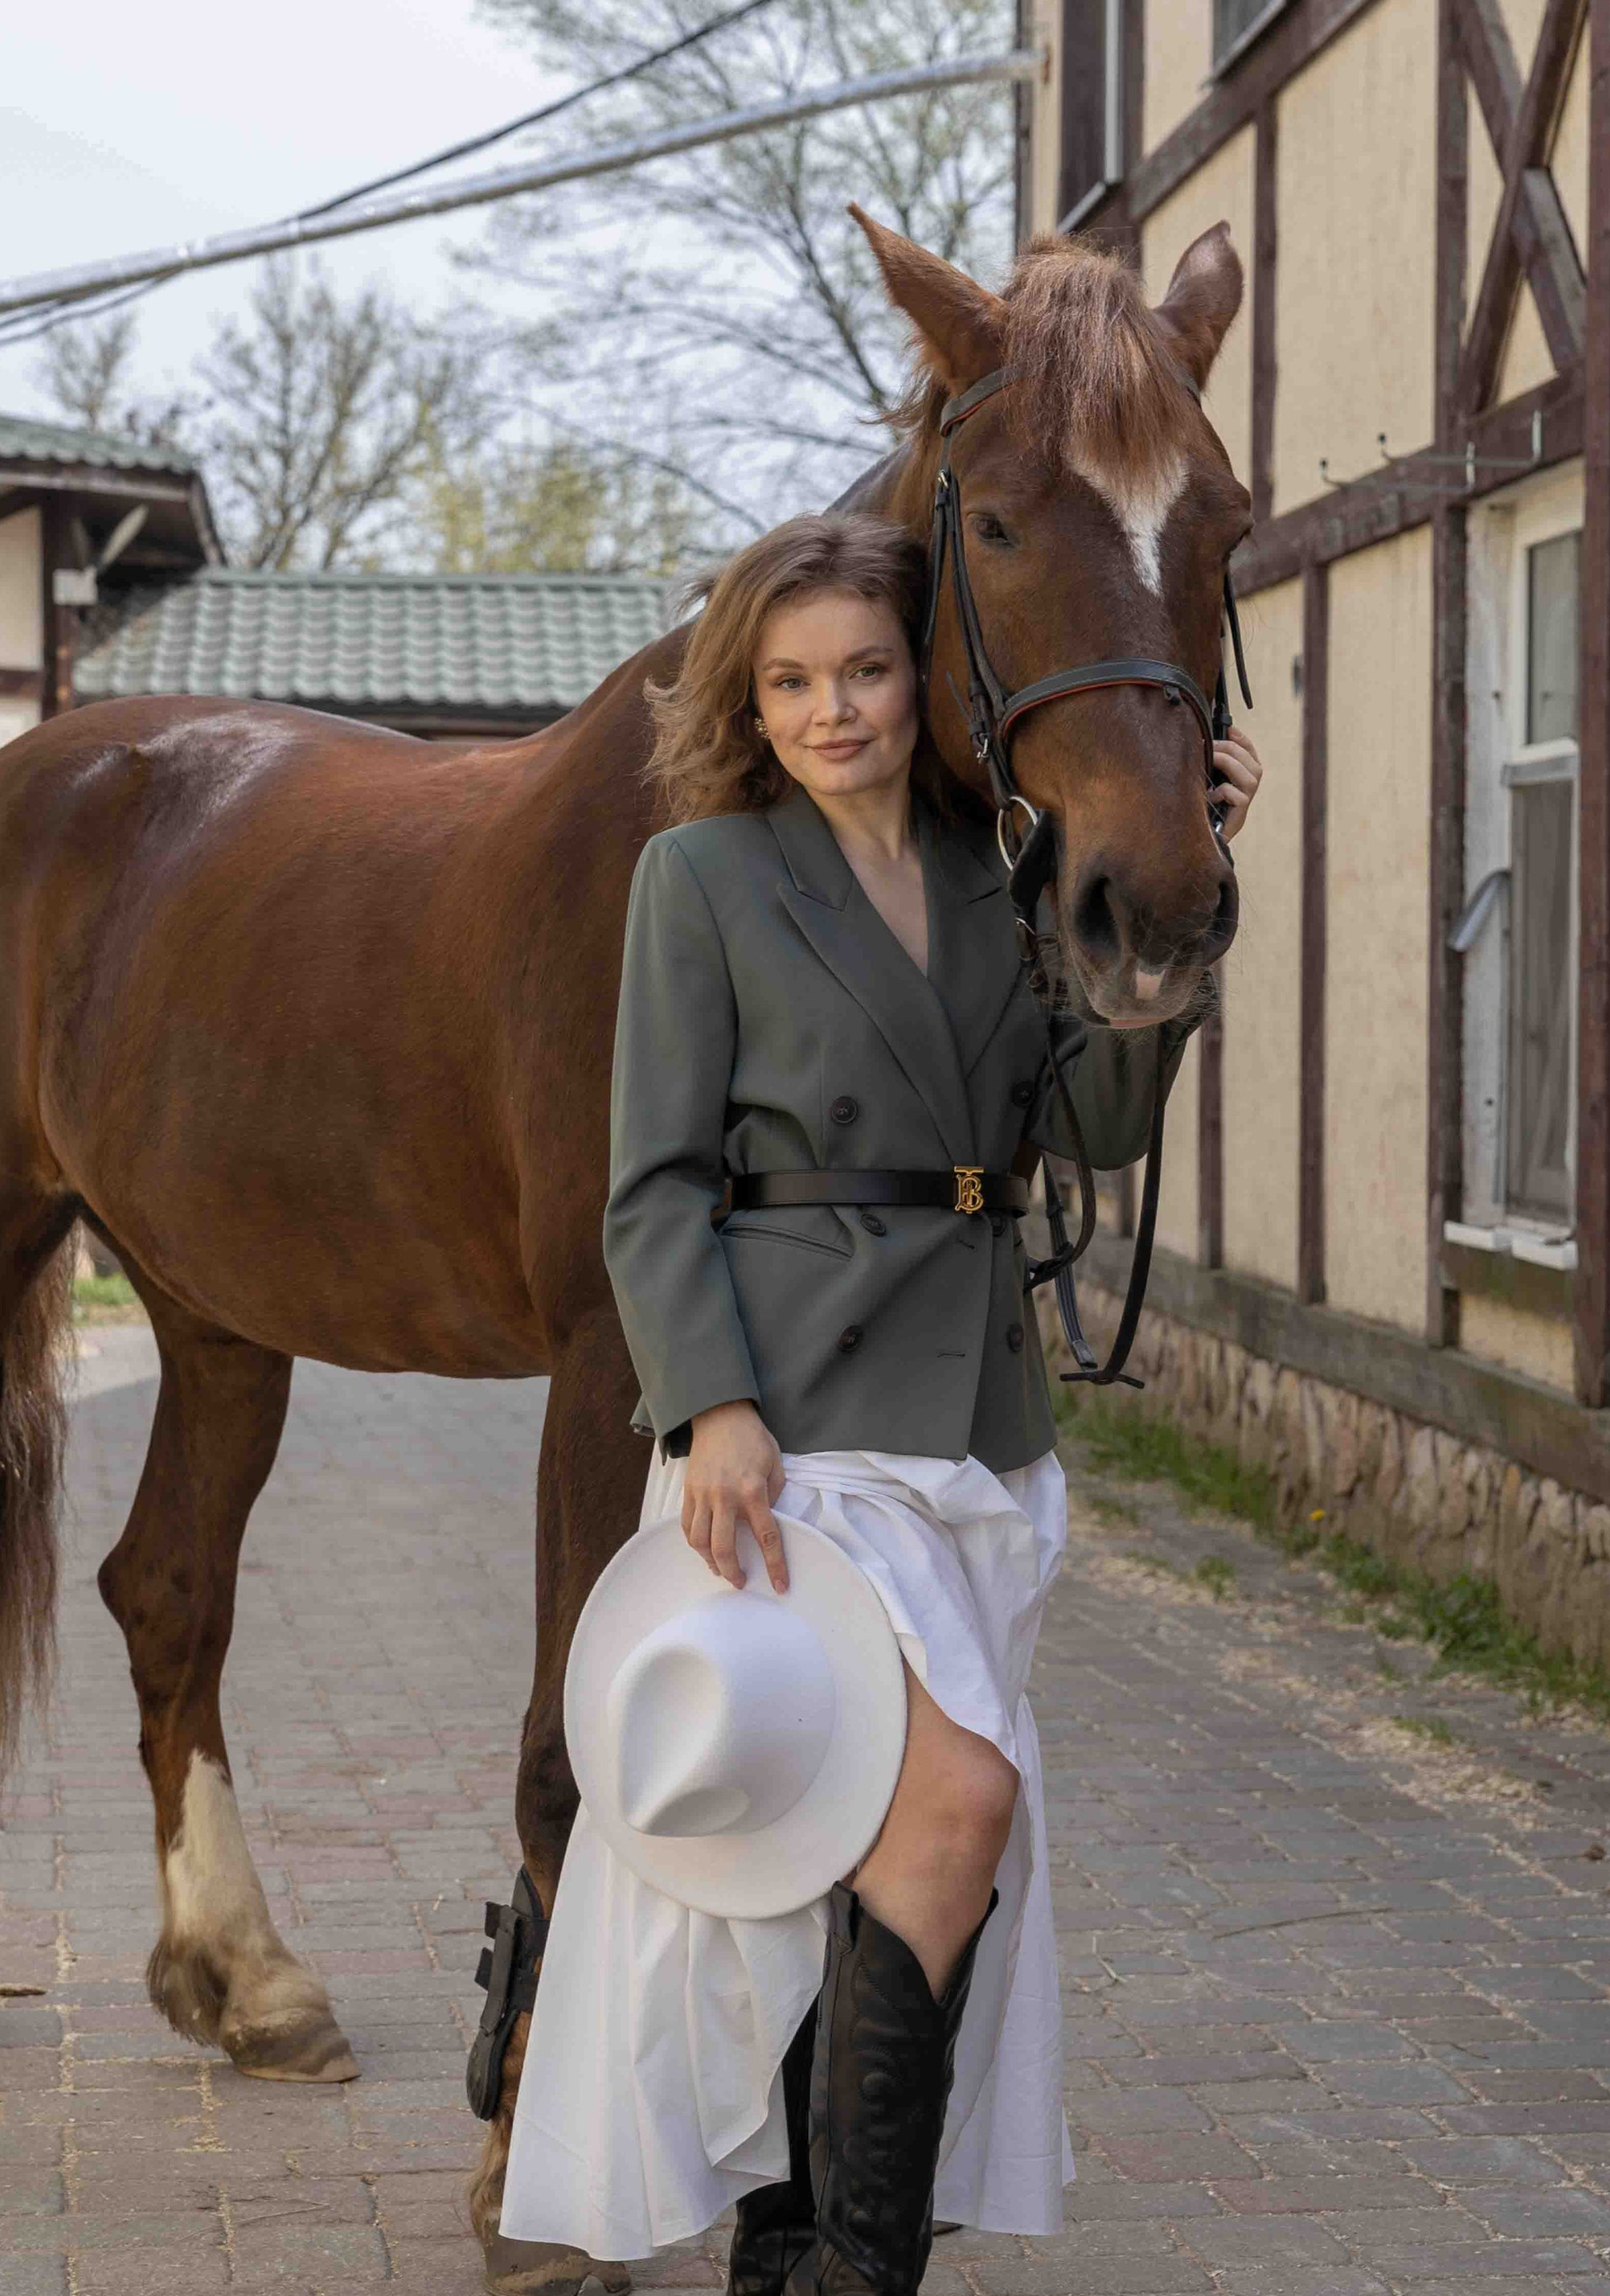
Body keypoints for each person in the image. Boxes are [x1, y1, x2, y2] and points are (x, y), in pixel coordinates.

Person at [499, 514, 1263, 2292]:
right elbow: (650, 1187)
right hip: (797, 1420)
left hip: (975, 1418)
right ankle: (846, 2264)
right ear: (746, 701)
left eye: (860, 669)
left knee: (866, 1839)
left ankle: (799, 2248)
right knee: (955, 1802)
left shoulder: (1003, 869)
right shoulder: (700, 877)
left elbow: (1093, 1125)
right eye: (788, 681)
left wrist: (1184, 874)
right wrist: (709, 1404)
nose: (829, 709)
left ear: (919, 678)